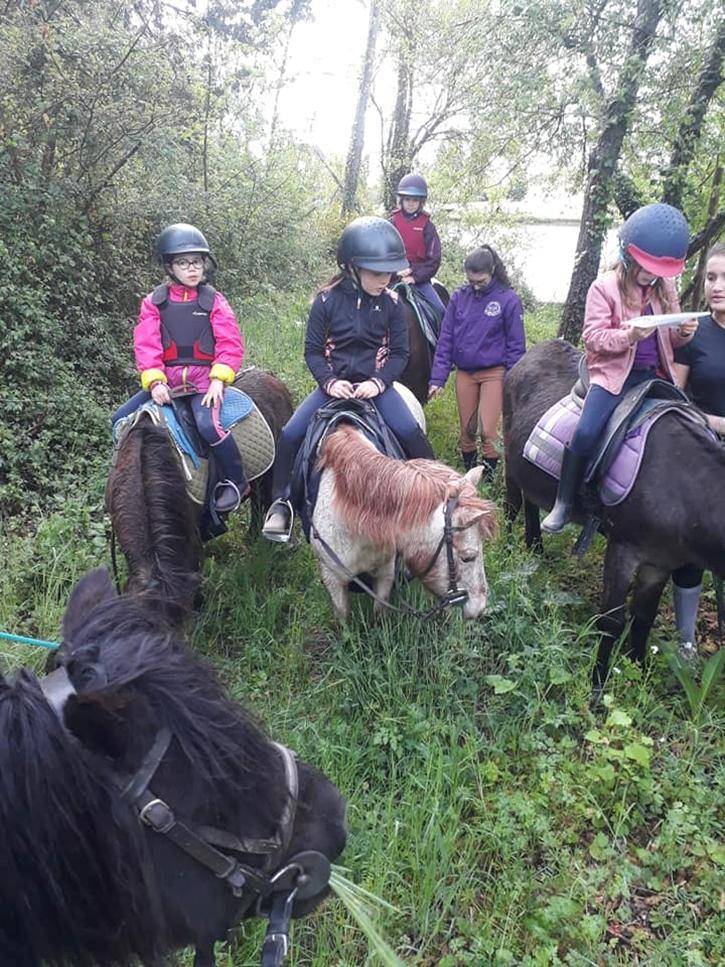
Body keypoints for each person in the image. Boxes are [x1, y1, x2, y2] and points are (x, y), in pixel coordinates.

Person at [261, 216, 435, 543]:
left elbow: (399, 354)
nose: (385, 279)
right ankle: (282, 503)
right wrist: (329, 382)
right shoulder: (325, 302)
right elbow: (313, 351)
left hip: (374, 387)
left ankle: (438, 499)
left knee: (411, 433)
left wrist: (379, 383)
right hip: (334, 386)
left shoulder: (393, 305)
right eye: (377, 272)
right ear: (352, 267)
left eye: (388, 272)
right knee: (290, 434)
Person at [542, 202, 699, 533]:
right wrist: (629, 335)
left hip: (654, 376)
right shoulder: (604, 287)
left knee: (689, 424)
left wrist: (682, 333)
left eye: (659, 271)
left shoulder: (664, 287)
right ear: (628, 256)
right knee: (586, 432)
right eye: (647, 268)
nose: (652, 276)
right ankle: (564, 500)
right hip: (614, 376)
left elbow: (670, 340)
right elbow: (593, 337)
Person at [115, 223, 247, 514]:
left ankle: (237, 480)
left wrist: (218, 380)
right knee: (120, 418)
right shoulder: (154, 303)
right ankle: (125, 489)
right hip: (169, 382)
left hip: (202, 382)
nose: (192, 268)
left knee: (207, 424)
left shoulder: (214, 301)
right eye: (183, 263)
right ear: (170, 266)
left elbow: (230, 343)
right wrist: (155, 383)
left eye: (197, 262)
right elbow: (147, 346)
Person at [428, 245, 526, 476]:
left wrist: (514, 383)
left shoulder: (508, 300)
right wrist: (437, 379)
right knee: (467, 430)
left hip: (494, 372)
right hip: (465, 372)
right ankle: (470, 472)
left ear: (492, 271)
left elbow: (516, 346)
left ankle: (490, 477)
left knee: (488, 430)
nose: (475, 285)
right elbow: (446, 339)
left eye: (480, 280)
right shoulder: (459, 298)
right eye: (471, 280)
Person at [670, 242, 725, 654]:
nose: (716, 287)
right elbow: (675, 393)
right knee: (692, 546)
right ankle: (687, 640)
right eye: (710, 278)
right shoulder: (693, 331)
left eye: (724, 278)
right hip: (701, 451)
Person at [389, 173, 445, 314]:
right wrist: (395, 271)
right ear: (401, 200)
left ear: (421, 202)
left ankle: (440, 336)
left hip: (419, 280)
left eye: (415, 199)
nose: (411, 203)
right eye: (407, 199)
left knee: (440, 310)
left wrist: (414, 276)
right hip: (391, 277)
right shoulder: (391, 223)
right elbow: (382, 253)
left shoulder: (427, 226)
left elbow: (434, 259)